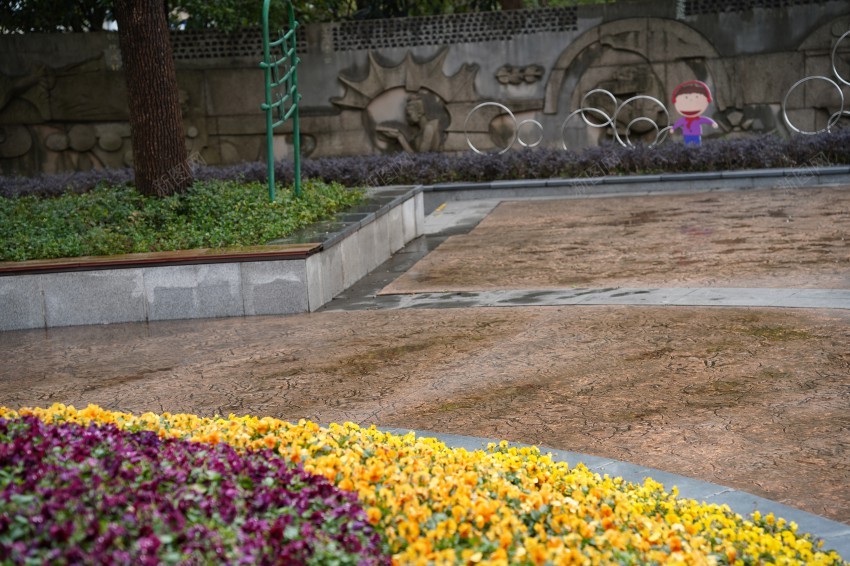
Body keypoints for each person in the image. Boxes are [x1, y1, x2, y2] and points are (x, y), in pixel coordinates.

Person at [377, 94, 441, 153]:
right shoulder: (421, 130)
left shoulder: (429, 128)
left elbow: (420, 158)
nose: (407, 118)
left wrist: (400, 137)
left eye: (409, 114)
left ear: (419, 113)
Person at [671, 80, 718, 146]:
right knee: (687, 146)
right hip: (687, 134)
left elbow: (706, 120)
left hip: (696, 134)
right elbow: (678, 123)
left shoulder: (699, 119)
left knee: (697, 145)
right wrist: (673, 128)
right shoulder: (684, 120)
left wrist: (712, 123)